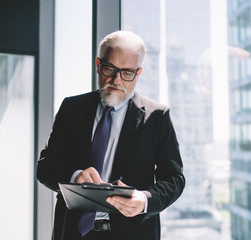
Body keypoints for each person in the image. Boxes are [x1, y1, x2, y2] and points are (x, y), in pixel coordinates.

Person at [37, 30, 185, 240]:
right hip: (73, 232)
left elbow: (174, 178)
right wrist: (74, 176)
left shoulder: (157, 116)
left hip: (132, 232)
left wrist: (144, 200)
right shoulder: (71, 108)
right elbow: (45, 167)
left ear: (138, 73)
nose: (117, 79)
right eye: (110, 68)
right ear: (98, 65)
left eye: (127, 72)